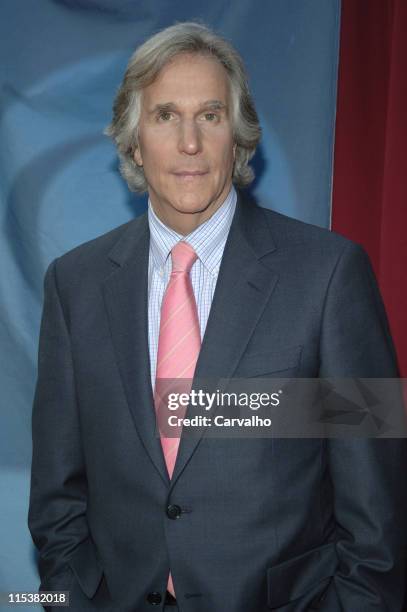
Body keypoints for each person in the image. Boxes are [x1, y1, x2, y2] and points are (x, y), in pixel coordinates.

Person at [28, 22, 407, 612]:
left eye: (209, 115)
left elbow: (378, 516)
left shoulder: (330, 275)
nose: (189, 143)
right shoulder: (73, 285)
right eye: (164, 117)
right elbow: (57, 500)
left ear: (240, 136)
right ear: (132, 142)